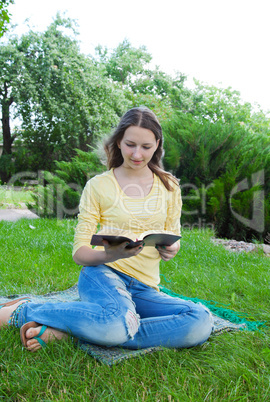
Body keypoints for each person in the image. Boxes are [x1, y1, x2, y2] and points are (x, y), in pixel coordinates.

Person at [0, 107, 213, 352]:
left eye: (146, 146)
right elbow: (80, 253)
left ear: (157, 144)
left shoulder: (169, 186)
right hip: (103, 275)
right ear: (118, 142)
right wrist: (110, 255)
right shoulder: (99, 186)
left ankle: (73, 333)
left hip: (145, 288)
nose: (136, 154)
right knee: (115, 322)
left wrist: (171, 247)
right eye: (130, 144)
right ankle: (23, 310)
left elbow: (174, 236)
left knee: (199, 320)